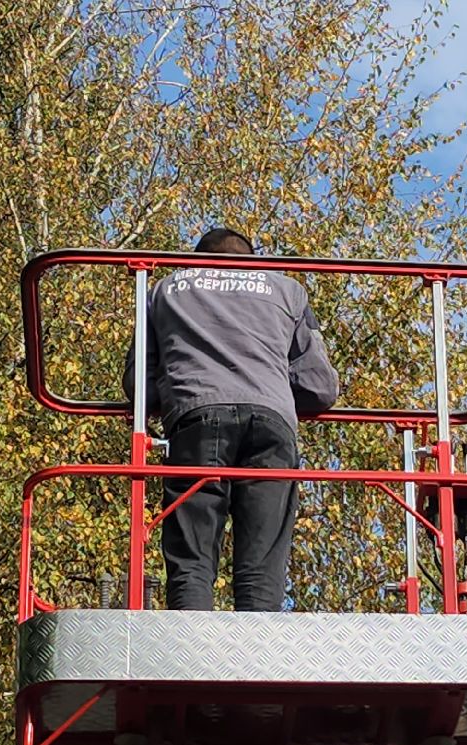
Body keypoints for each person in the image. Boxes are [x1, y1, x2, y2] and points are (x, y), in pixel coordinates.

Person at [129, 226, 339, 611]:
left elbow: (138, 384)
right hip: (272, 424)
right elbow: (321, 387)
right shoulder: (286, 289)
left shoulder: (163, 289)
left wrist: (183, 381)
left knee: (192, 557)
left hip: (195, 419)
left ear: (195, 261)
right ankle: (256, 657)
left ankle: (188, 653)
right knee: (262, 561)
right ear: (252, 260)